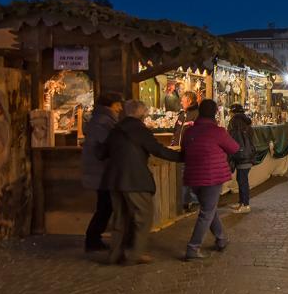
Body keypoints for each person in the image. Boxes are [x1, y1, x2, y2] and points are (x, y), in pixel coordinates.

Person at [100, 100, 180, 264]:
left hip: (114, 180)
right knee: (143, 216)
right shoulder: (140, 130)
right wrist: (182, 157)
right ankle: (135, 254)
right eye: (145, 112)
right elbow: (157, 149)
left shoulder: (116, 129)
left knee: (119, 218)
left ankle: (114, 254)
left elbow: (102, 153)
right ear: (140, 113)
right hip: (135, 180)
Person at [181, 99, 237, 261]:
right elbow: (234, 148)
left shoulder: (189, 131)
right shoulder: (217, 131)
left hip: (193, 176)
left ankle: (221, 239)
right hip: (212, 176)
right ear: (215, 112)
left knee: (209, 208)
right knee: (206, 212)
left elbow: (184, 151)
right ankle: (193, 247)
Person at [81, 92, 124, 252]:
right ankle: (92, 239)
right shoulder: (103, 121)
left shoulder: (101, 119)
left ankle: (93, 239)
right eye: (118, 104)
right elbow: (109, 144)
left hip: (102, 171)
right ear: (111, 105)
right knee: (105, 206)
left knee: (105, 206)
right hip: (101, 171)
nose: (120, 108)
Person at [172, 90, 199, 211]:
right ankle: (184, 201)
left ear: (189, 101)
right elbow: (176, 130)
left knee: (191, 177)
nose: (181, 102)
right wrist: (174, 142)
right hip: (179, 151)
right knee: (183, 177)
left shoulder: (197, 115)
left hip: (191, 152)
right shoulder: (182, 114)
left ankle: (192, 201)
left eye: (183, 100)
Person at [227, 103, 255, 214]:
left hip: (242, 155)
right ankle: (241, 202)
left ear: (232, 112)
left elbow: (233, 138)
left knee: (242, 180)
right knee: (241, 179)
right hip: (248, 154)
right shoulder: (246, 122)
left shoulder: (235, 121)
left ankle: (245, 204)